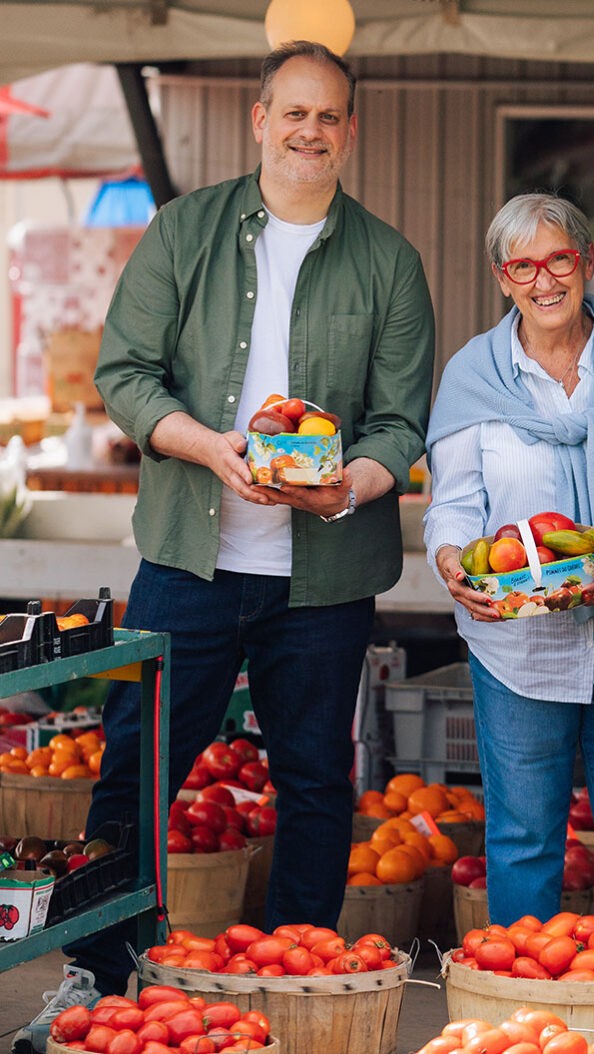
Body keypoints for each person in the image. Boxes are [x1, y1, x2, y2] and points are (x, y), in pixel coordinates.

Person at [15, 40, 434, 1048]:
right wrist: (211, 449)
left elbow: (398, 424)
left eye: (326, 115)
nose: (307, 130)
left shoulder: (387, 260)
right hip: (188, 564)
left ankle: (293, 982)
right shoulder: (183, 232)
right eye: (291, 111)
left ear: (349, 130)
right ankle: (97, 975)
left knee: (315, 784)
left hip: (324, 578)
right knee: (134, 770)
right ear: (258, 119)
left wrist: (347, 487)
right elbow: (125, 374)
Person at [424, 192, 594, 931]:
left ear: (584, 263)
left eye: (559, 259)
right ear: (501, 277)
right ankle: (522, 1016)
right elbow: (453, 503)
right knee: (521, 837)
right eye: (523, 266)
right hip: (519, 648)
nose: (544, 280)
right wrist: (451, 559)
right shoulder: (471, 376)